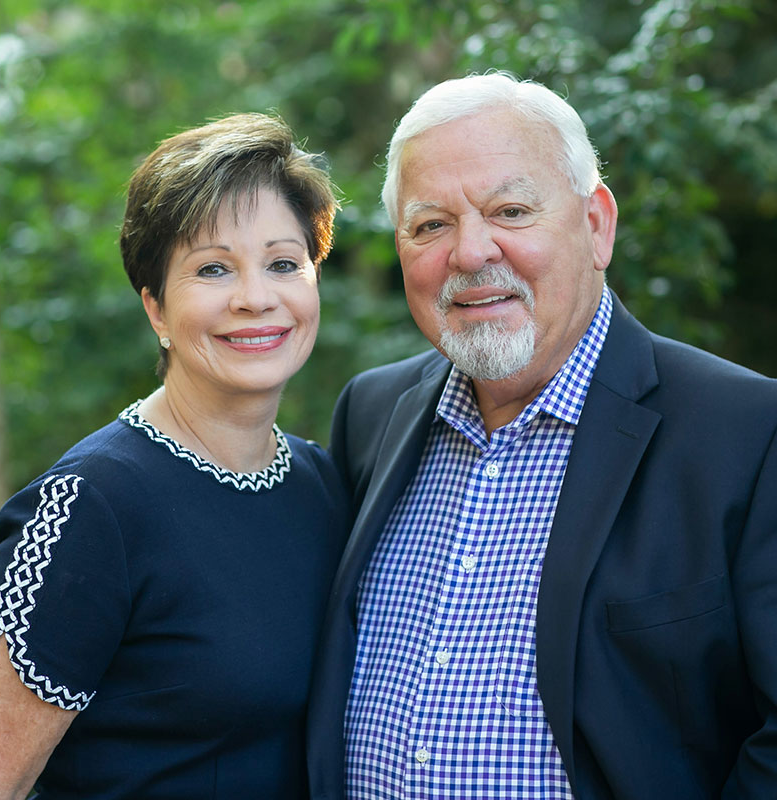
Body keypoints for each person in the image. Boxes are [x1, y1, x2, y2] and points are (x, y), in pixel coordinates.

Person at [306, 72, 777, 799]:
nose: (470, 253)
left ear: (596, 225)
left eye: (511, 210)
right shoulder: (371, 415)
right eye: (430, 224)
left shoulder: (746, 435)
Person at [0, 112, 349, 799]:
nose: (256, 298)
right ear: (155, 307)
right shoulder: (90, 508)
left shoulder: (326, 487)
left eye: (283, 263)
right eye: (213, 268)